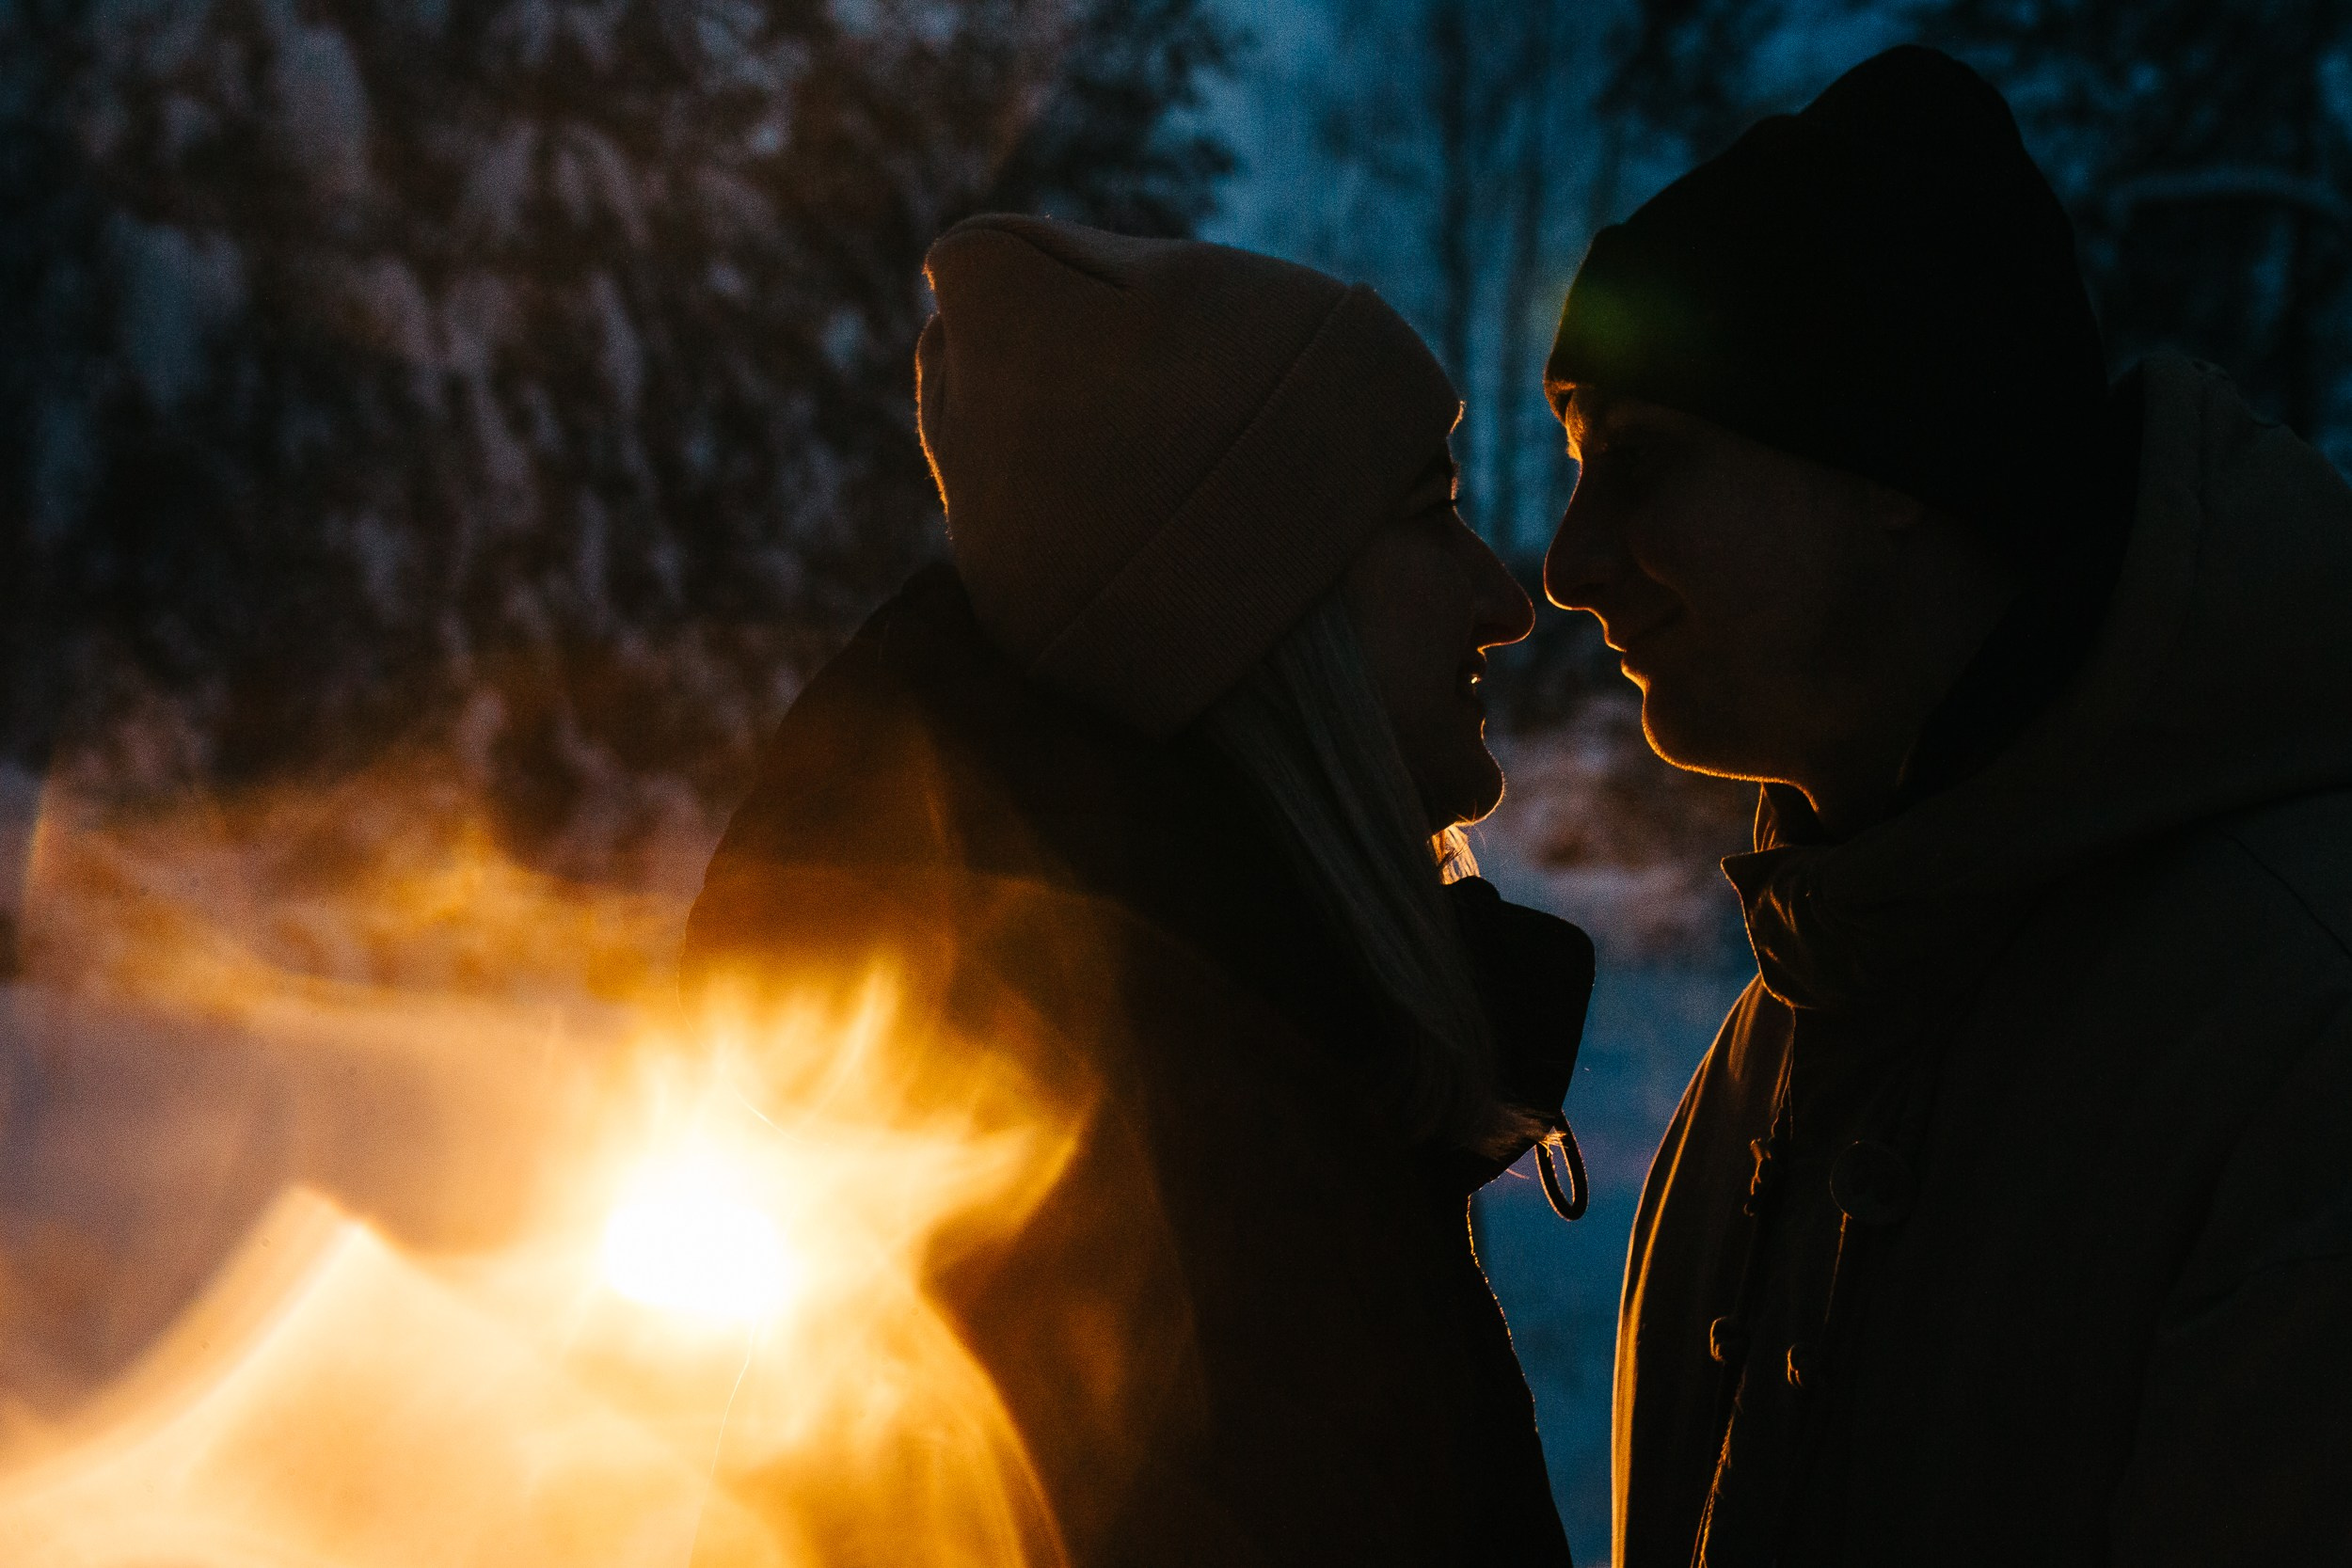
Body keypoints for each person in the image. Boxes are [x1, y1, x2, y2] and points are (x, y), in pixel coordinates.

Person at [1540, 43, 2352, 1567]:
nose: (1569, 567)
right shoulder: (1797, 1023)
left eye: (1640, 468)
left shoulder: (2301, 1028)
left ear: (1898, 460)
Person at [683, 214, 1594, 1565]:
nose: (1503, 602)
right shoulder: (1178, 1227)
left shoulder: (1207, 1086)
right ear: (1260, 616)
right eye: (1429, 515)